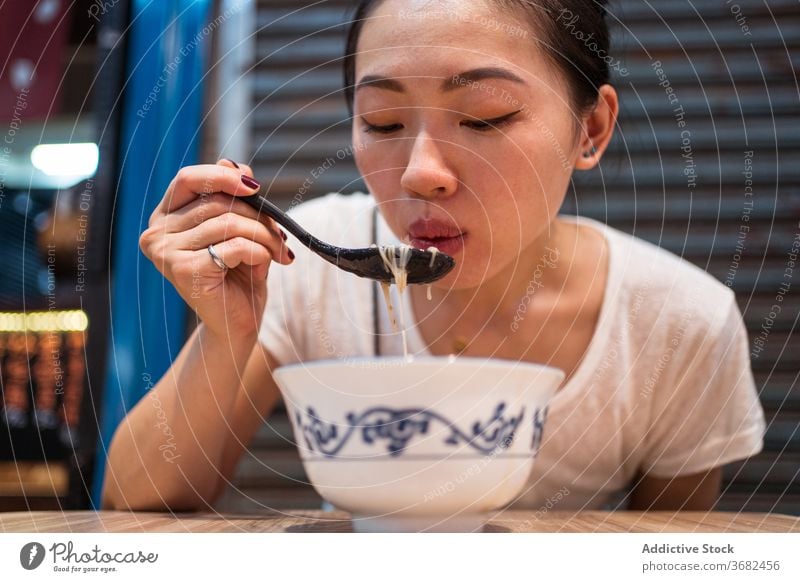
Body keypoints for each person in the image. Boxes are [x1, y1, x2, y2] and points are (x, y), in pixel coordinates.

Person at [102, 0, 765, 512]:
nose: (421, 173)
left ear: (589, 129)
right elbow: (132, 505)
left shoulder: (679, 323)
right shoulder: (300, 267)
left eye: (484, 116)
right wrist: (227, 336)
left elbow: (675, 554)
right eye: (383, 123)